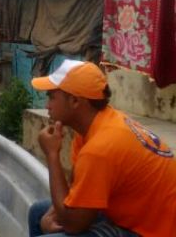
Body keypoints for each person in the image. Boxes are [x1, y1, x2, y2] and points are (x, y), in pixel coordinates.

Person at [28, 59, 176, 237]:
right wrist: (53, 215)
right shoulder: (95, 125)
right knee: (38, 212)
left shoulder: (99, 148)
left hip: (155, 231)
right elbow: (76, 190)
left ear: (75, 101)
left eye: (52, 97)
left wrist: (52, 155)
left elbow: (74, 224)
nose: (47, 106)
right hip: (135, 216)